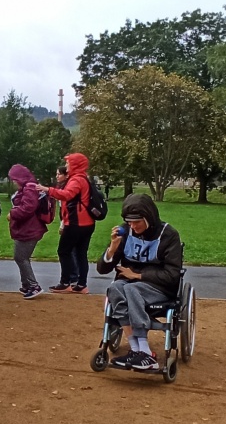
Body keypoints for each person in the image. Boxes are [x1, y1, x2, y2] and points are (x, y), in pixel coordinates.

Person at [97, 194, 183, 371]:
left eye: (137, 222)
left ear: (148, 218)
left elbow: (172, 275)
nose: (133, 226)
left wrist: (138, 275)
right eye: (129, 222)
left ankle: (146, 353)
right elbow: (102, 269)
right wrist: (112, 249)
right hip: (129, 283)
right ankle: (136, 349)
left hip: (159, 287)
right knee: (115, 288)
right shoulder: (125, 232)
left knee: (132, 289)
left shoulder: (169, 235)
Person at [37, 153, 95, 294]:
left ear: (75, 164)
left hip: (75, 223)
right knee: (81, 253)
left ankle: (65, 282)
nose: (66, 165)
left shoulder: (76, 179)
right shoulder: (83, 178)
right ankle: (81, 284)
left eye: (68, 162)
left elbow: (67, 195)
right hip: (88, 223)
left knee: (63, 251)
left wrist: (48, 190)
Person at [7, 163, 47, 299]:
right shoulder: (29, 187)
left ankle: (34, 286)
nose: (14, 182)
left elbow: (28, 208)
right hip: (28, 228)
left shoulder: (29, 188)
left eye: (14, 179)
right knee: (20, 257)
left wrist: (12, 213)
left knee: (21, 257)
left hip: (29, 229)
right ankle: (26, 285)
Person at [53, 164, 79, 288]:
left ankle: (72, 278)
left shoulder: (68, 189)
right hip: (69, 223)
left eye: (59, 174)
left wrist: (63, 225)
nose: (57, 176)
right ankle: (74, 278)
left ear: (66, 175)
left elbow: (67, 210)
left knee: (68, 251)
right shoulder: (63, 187)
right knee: (71, 251)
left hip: (71, 224)